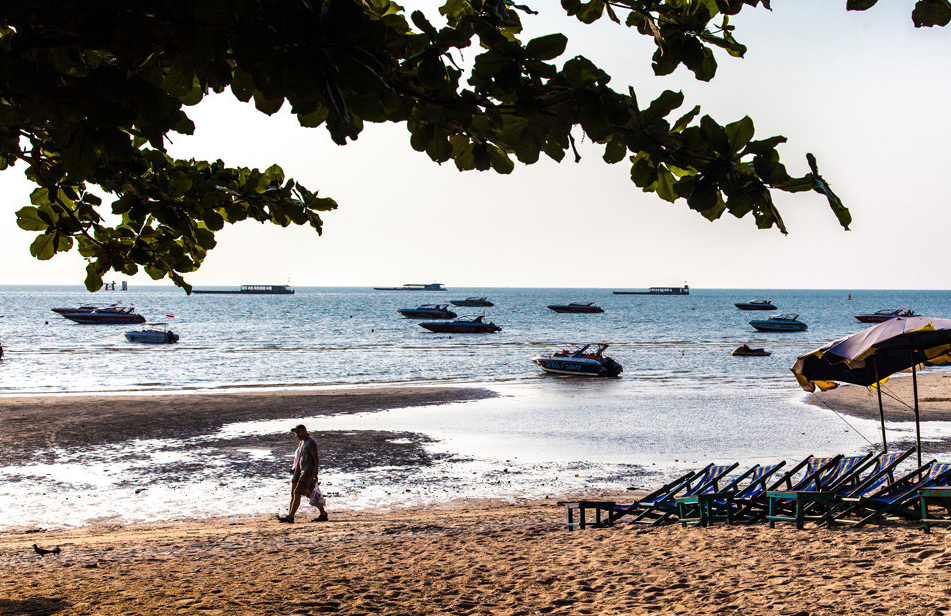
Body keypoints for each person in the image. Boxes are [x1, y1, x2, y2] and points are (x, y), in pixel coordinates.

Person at [277, 424, 328, 523]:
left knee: (297, 493)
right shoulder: (301, 443)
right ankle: (323, 514)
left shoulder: (311, 442)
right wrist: (296, 474)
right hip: (303, 472)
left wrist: (315, 472)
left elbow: (316, 458)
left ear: (304, 430)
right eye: (296, 433)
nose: (297, 435)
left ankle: (291, 516)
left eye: (299, 432)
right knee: (311, 494)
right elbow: (299, 461)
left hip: (308, 472)